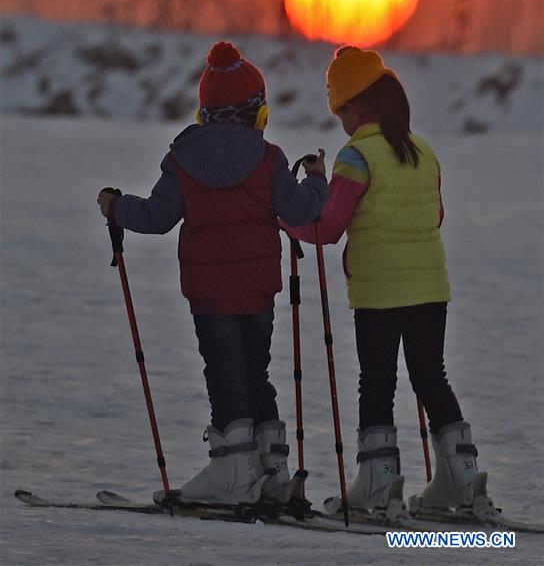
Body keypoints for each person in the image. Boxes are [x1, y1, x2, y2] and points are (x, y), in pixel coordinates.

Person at [97, 40, 327, 507]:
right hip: (259, 291)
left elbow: (157, 218)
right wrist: (318, 179)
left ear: (205, 113)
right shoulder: (269, 160)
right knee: (255, 373)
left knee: (224, 374)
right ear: (255, 112)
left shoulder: (183, 160)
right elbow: (301, 209)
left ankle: (233, 473)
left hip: (209, 294)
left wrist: (116, 207)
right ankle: (272, 469)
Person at [285, 45, 492, 517]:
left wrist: (289, 218)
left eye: (340, 111)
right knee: (430, 376)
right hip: (430, 288)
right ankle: (463, 479)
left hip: (379, 291)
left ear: (356, 107)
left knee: (376, 382)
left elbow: (328, 228)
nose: (340, 121)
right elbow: (434, 216)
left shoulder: (355, 156)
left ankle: (378, 483)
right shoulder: (425, 151)